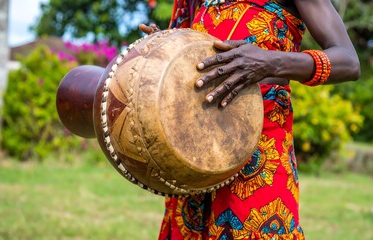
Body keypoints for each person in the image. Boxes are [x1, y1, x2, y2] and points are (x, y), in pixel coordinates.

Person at [140, 0, 360, 239]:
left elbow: (348, 61)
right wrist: (167, 49)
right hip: (196, 148)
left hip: (259, 153)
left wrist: (270, 61)